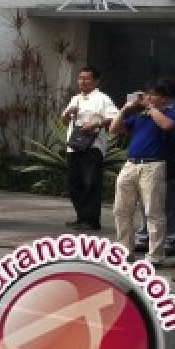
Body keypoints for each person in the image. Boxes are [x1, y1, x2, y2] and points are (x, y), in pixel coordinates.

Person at [110, 79, 175, 268]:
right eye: (147, 94)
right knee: (121, 209)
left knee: (153, 211)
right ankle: (124, 250)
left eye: (152, 94)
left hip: (153, 166)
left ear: (164, 98)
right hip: (131, 164)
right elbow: (114, 129)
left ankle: (155, 255)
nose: (148, 97)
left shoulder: (171, 113)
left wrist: (151, 108)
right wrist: (125, 109)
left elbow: (167, 125)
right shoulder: (139, 116)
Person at [60, 66, 118, 231]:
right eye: (80, 78)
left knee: (91, 183)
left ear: (95, 81)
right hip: (74, 146)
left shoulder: (102, 98)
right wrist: (67, 113)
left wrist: (96, 123)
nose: (82, 82)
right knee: (74, 183)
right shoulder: (75, 98)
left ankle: (92, 220)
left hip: (93, 147)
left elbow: (114, 117)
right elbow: (64, 122)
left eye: (86, 78)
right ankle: (81, 217)